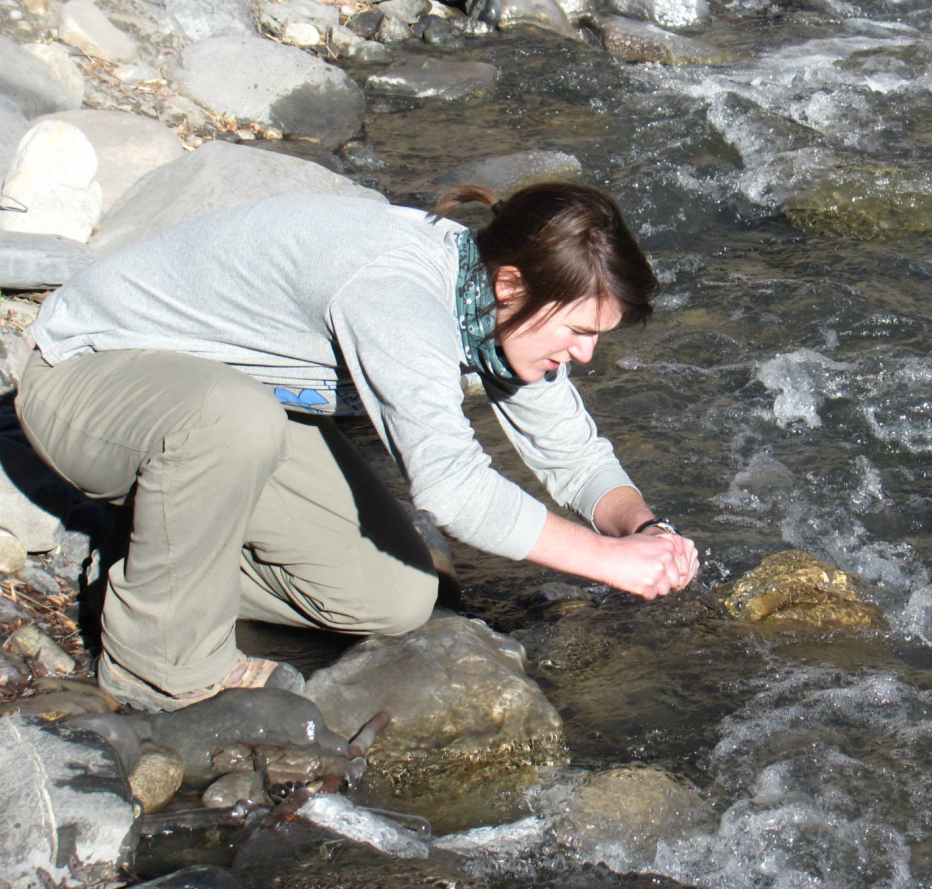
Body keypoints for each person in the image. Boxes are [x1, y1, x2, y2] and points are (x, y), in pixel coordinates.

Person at [15, 182, 700, 712]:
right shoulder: (396, 292)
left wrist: (641, 529)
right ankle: (159, 664)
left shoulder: (495, 307)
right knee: (234, 417)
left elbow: (573, 453)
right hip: (86, 382)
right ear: (512, 284)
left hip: (218, 410)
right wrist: (609, 563)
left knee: (395, 595)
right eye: (581, 329)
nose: (584, 353)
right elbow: (453, 488)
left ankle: (153, 575)